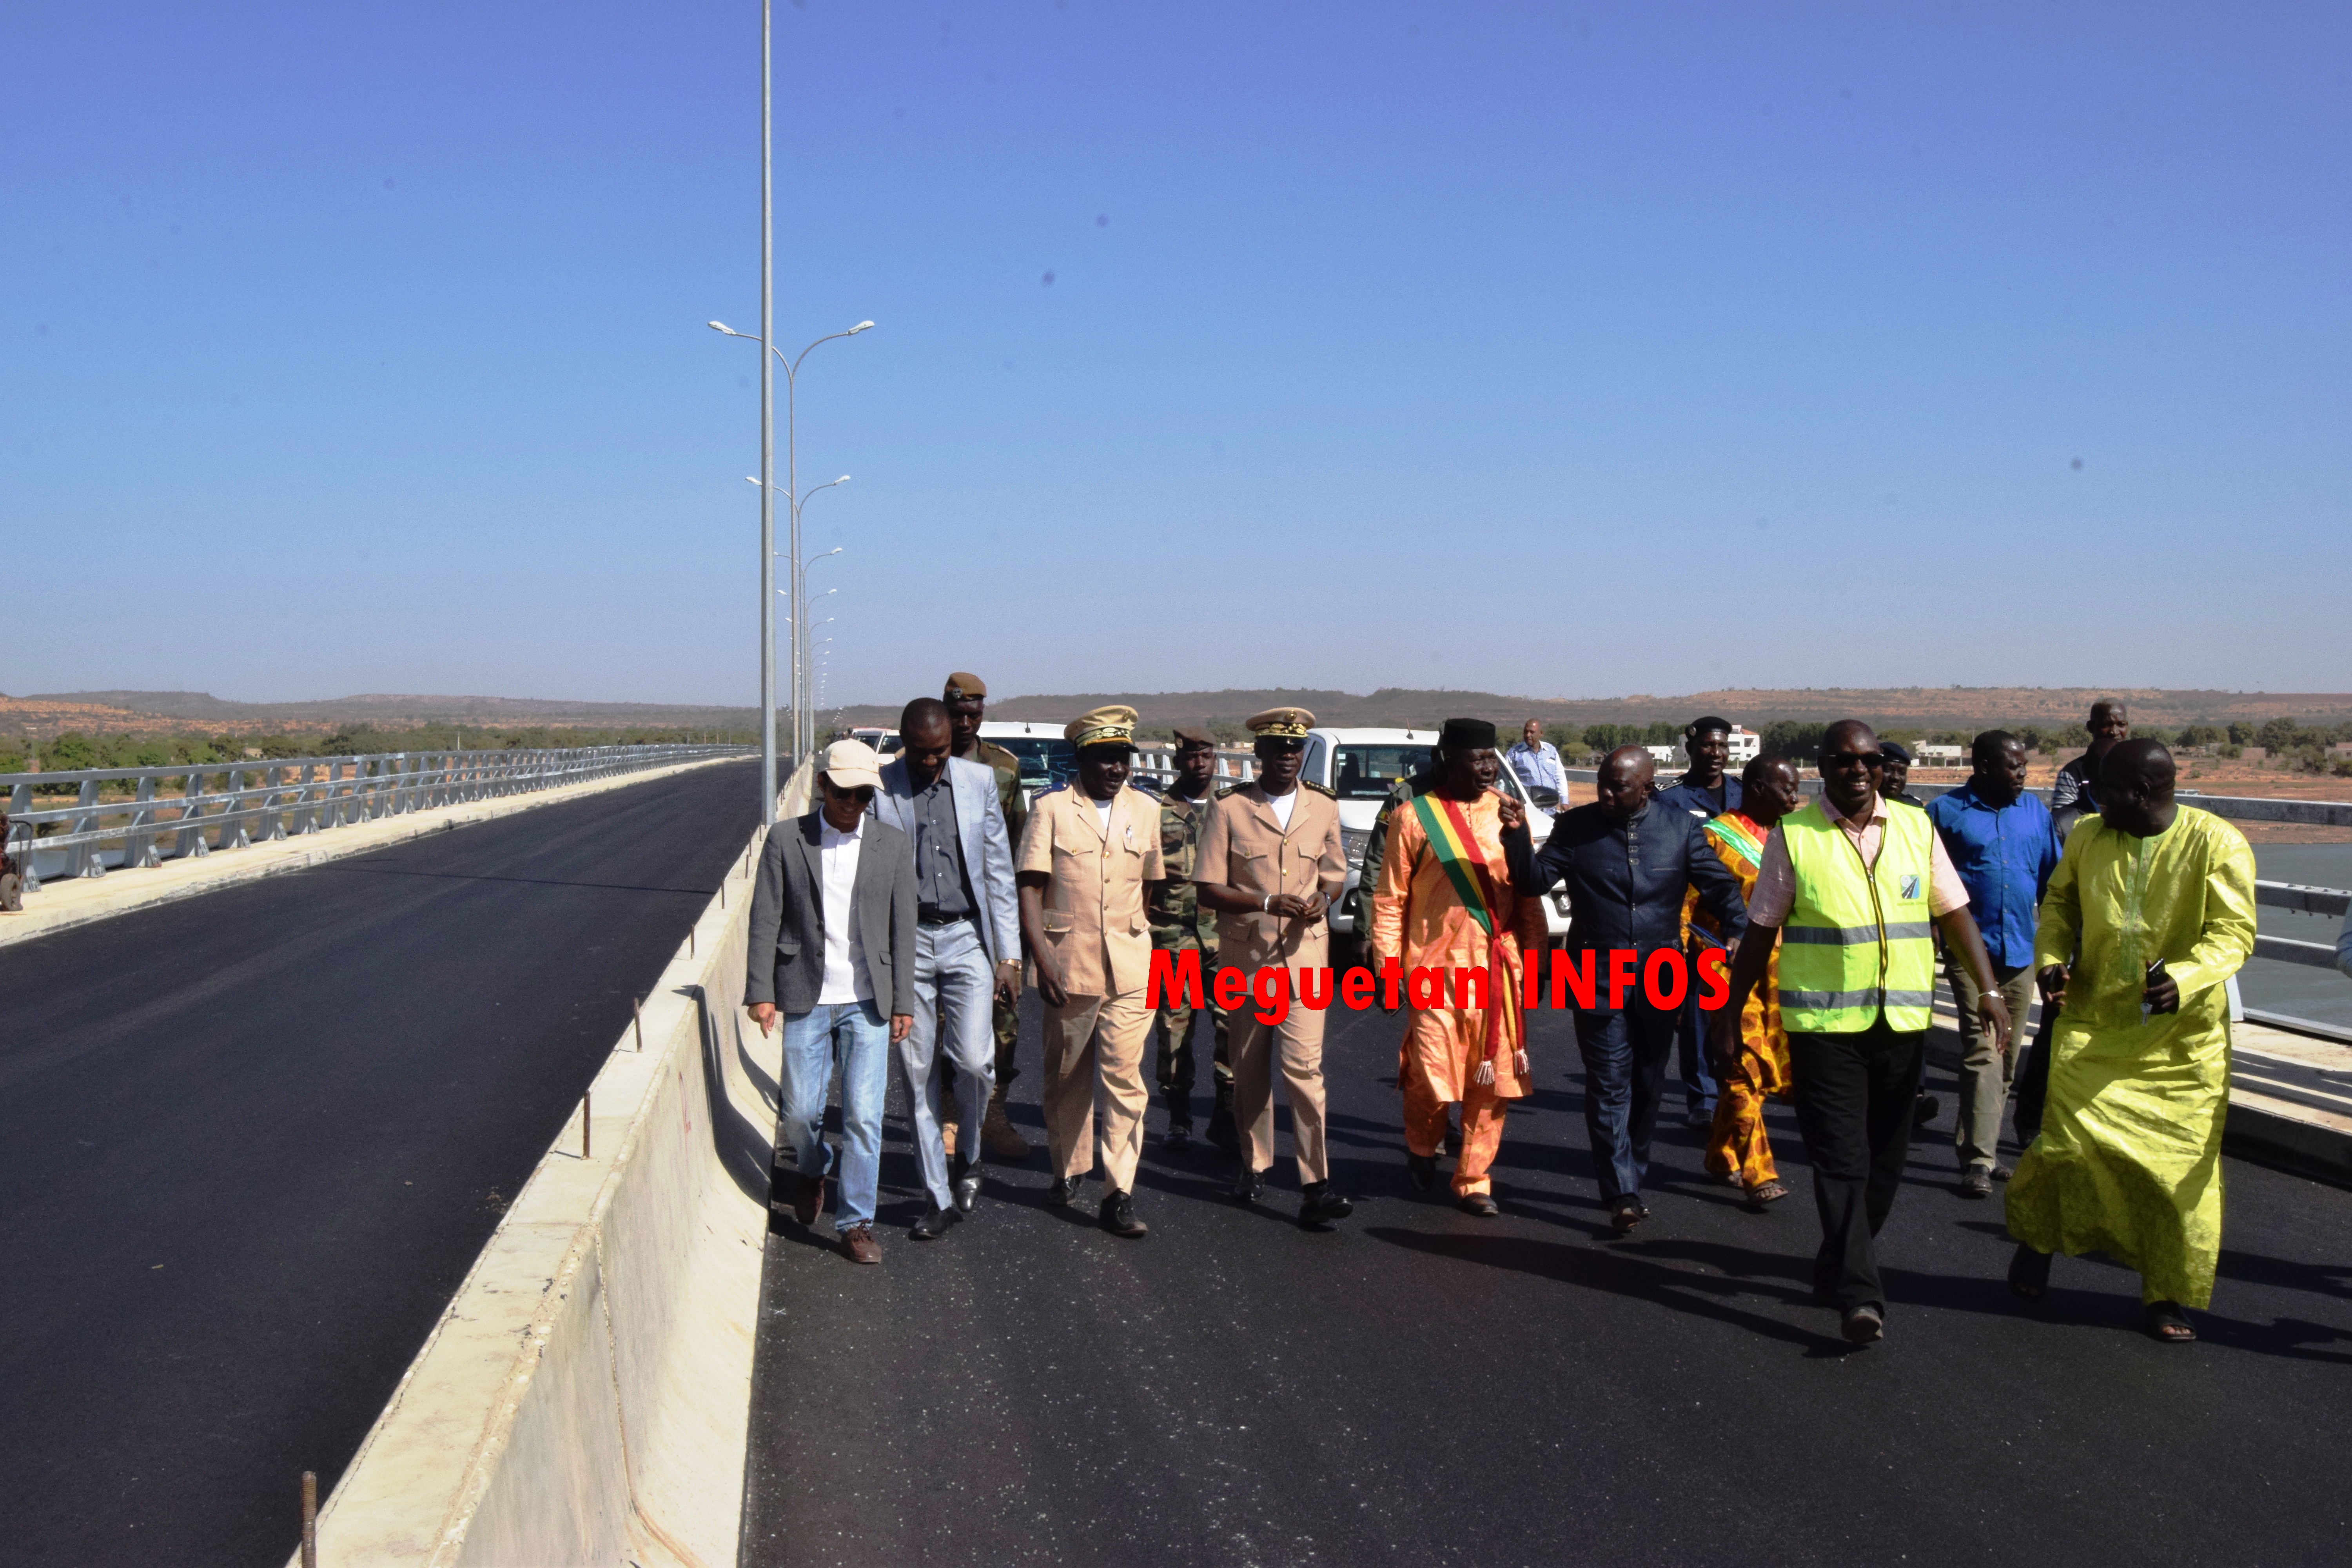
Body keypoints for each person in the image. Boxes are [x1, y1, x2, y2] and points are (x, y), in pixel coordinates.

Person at [1710, 720, 2011, 1344]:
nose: (1859, 771)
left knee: (1886, 1166)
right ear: (1824, 767)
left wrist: (1987, 990)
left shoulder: (1915, 825)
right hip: (1825, 1028)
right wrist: (1728, 1015)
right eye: (1845, 762)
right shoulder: (1795, 835)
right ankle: (1860, 1295)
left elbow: (1953, 911)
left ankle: (1837, 1261)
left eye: (1869, 761)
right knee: (1840, 1161)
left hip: (1900, 1025)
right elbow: (1761, 929)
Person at [2005, 740, 2257, 1343]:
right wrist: (2050, 960)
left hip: (2180, 1046)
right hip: (2092, 1023)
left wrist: (2186, 979)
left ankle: (2165, 1293)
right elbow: (2061, 904)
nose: (2094, 801)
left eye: (2107, 791)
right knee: (2064, 1146)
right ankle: (2039, 1243)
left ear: (2143, 793)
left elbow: (2234, 933)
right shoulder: (2090, 836)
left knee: (2175, 1177)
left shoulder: (2216, 843)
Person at [1504, 745, 1745, 1232]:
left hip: (1662, 970)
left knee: (1649, 1082)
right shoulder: (1576, 828)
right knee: (1608, 1082)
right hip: (1594, 968)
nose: (1608, 795)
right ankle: (1622, 1190)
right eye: (1604, 783)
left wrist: (1739, 926)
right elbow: (1533, 882)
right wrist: (1516, 840)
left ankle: (1633, 1168)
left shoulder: (1682, 829)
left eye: (1620, 787)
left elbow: (1720, 887)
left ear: (1647, 788)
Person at [744, 739, 917, 1266]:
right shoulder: (785, 840)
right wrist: (761, 991)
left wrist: (904, 1000)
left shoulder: (892, 843)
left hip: (868, 1000)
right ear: (823, 787)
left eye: (864, 796)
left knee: (865, 1117)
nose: (853, 805)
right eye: (844, 793)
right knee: (800, 1112)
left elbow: (902, 928)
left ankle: (856, 1223)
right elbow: (765, 918)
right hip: (805, 993)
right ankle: (814, 1165)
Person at [1373, 720, 1549, 1216]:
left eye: (1492, 757)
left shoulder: (1508, 816)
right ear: (1447, 760)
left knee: (1489, 1083)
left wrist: (1534, 960)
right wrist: (1388, 971)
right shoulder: (1412, 818)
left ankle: (1474, 1178)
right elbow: (1390, 900)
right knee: (1431, 1076)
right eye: (1477, 759)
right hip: (1434, 969)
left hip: (1496, 968)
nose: (1488, 767)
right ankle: (1423, 1144)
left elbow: (1527, 895)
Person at [1192, 708, 1354, 1228]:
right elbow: (1208, 887)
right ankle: (1255, 1162)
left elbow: (1334, 874)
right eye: (1277, 750)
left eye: (1295, 750)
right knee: (1249, 1066)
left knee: (1305, 1070)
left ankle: (1316, 1184)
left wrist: (1323, 902)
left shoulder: (1323, 807)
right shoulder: (1231, 808)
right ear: (1258, 754)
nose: (1287, 758)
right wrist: (1265, 903)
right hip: (1249, 955)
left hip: (1306, 955)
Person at [870, 698, 1023, 1240]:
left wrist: (1009, 956)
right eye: (920, 753)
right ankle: (937, 1196)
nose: (931, 763)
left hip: (966, 938)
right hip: (908, 940)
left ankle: (971, 1157)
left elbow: (1000, 875)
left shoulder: (979, 782)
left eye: (939, 753)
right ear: (905, 742)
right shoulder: (880, 787)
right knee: (917, 1075)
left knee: (977, 1062)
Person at [1016, 705, 1166, 1238]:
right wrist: (1042, 956)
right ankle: (1069, 1167)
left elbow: (1147, 886)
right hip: (1068, 964)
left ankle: (1118, 1191)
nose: (1115, 767)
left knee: (1126, 1080)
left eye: (1122, 757)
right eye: (1104, 758)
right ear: (1081, 758)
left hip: (1130, 967)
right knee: (1067, 1076)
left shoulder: (1147, 811)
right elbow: (1030, 887)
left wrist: (1132, 937)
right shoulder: (1053, 809)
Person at [1926, 731, 2060, 1196]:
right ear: (1983, 766)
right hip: (1970, 952)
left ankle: (1978, 1145)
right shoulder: (1945, 813)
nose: (2023, 774)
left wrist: (2059, 952)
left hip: (2021, 951)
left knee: (2006, 1058)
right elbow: (1922, 878)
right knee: (1984, 1049)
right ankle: (1979, 1161)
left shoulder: (2035, 813)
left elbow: (2053, 885)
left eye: (2025, 765)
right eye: (2013, 766)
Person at [1687, 755, 1802, 1210]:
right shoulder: (1716, 837)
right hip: (1726, 971)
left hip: (1781, 973)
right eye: (1786, 788)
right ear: (1756, 788)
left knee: (1756, 1072)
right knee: (1743, 1064)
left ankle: (1720, 1155)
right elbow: (1688, 908)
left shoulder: (1795, 838)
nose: (1796, 797)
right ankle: (1759, 1172)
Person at [942, 671, 1035, 1163]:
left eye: (973, 714)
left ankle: (993, 1111)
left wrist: (1015, 937)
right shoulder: (919, 763)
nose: (964, 722)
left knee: (1004, 1018)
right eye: (956, 713)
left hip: (992, 918)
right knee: (941, 1021)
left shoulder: (1004, 768)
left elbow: (1015, 849)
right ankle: (949, 1117)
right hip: (939, 915)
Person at [1145, 726, 1232, 1151]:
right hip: (1172, 939)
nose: (1199, 764)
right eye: (1191, 757)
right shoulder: (1156, 811)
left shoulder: (1233, 808)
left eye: (1206, 756)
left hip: (1224, 940)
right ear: (1177, 761)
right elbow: (1143, 880)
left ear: (1215, 759)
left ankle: (1225, 1113)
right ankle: (1179, 1117)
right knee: (1174, 1031)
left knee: (1231, 1028)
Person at [1655, 716, 1744, 1128]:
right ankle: (1703, 1098)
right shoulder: (1671, 801)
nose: (1716, 754)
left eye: (1722, 747)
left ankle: (1736, 1088)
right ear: (1690, 750)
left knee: (1742, 1011)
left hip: (1743, 922)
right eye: (1708, 746)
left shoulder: (1744, 795)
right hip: (1696, 926)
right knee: (1696, 1015)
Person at [2050, 700, 2129, 840]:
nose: (2114, 732)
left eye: (2121, 725)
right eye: (2107, 725)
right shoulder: (2073, 772)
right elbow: (2062, 825)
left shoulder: (2136, 768)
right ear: (2091, 727)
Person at [1504, 719, 1565, 806]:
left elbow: (1560, 776)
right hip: (1528, 810)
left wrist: (1564, 801)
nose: (1528, 735)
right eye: (1526, 732)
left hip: (1550, 809)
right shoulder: (1514, 753)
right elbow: (1505, 779)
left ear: (1541, 733)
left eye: (1532, 732)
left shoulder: (1551, 751)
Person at [1878, 743, 1928, 809]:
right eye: (1888, 770)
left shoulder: (1914, 808)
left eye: (1902, 772)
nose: (1895, 777)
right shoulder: (1863, 808)